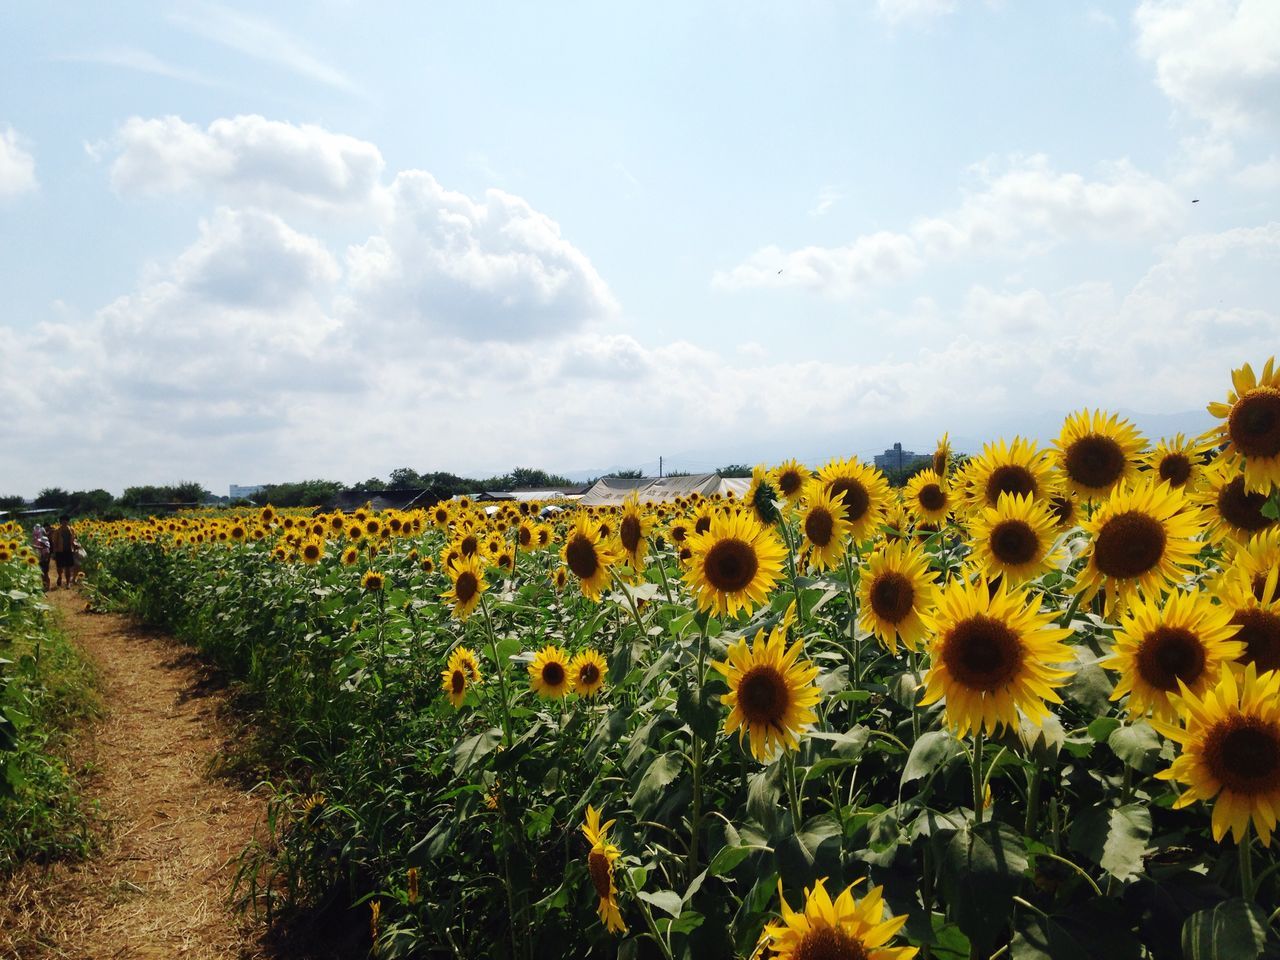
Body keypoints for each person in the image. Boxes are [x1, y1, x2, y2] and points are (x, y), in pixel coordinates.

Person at [50, 515, 76, 589]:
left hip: (68, 550)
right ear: (60, 522)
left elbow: (73, 539)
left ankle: (68, 583)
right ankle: (60, 576)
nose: (64, 522)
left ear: (68, 522)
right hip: (60, 551)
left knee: (68, 568)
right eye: (63, 521)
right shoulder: (57, 531)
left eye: (66, 521)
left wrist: (74, 545)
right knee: (60, 567)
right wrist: (54, 551)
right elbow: (54, 541)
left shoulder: (71, 530)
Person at [32, 523, 51, 591]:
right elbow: (39, 547)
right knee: (43, 575)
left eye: (41, 542)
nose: (40, 543)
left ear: (43, 543)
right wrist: (34, 546)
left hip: (44, 563)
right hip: (43, 563)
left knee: (45, 575)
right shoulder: (44, 547)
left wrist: (40, 560)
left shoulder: (46, 550)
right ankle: (45, 586)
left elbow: (45, 558)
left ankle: (47, 586)